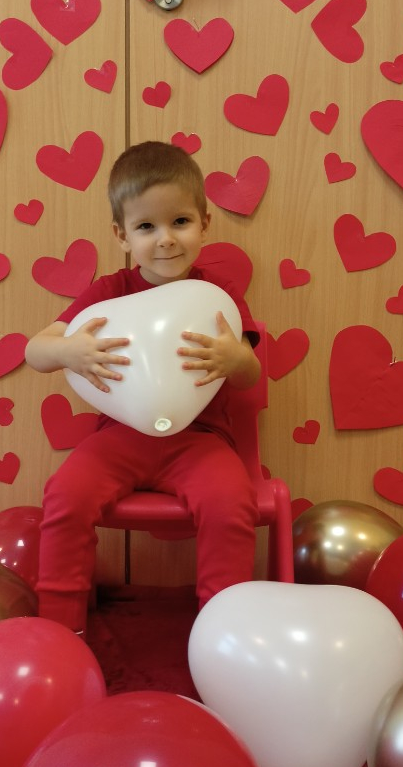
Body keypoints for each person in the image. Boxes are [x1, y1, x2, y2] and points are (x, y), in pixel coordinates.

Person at [25, 140, 261, 634]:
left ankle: (226, 634)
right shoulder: (110, 292)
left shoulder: (217, 295)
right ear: (122, 235)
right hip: (120, 439)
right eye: (146, 227)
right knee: (65, 495)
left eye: (180, 221)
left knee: (230, 502)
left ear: (205, 224)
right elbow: (35, 350)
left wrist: (235, 358)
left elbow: (250, 375)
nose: (166, 240)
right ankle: (60, 631)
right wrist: (68, 351)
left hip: (200, 441)